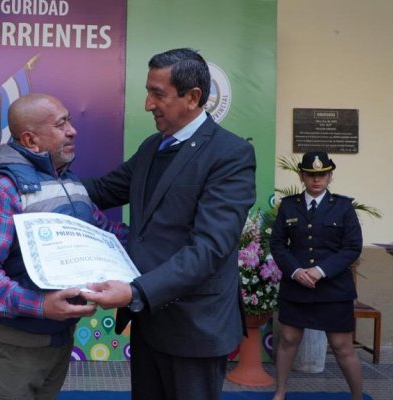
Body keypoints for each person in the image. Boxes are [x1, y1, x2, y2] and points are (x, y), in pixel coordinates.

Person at [80, 48, 256, 400]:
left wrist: (135, 292)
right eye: (148, 92)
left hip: (195, 326)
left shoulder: (229, 154)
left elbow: (209, 248)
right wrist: (32, 179)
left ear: (193, 97)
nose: (148, 104)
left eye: (157, 94)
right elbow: (101, 190)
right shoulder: (152, 147)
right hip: (150, 321)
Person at [0, 93, 128, 400]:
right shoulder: (2, 186)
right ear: (31, 141)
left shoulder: (70, 183)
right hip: (10, 346)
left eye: (69, 121)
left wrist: (162, 239)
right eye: (61, 124)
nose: (72, 131)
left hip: (56, 339)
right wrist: (40, 306)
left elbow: (107, 234)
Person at [269, 151, 363, 400]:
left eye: (322, 174)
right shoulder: (289, 205)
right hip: (297, 284)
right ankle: (280, 392)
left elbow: (352, 247)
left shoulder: (343, 206)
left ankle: (357, 396)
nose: (316, 180)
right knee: (288, 339)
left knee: (342, 346)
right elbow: (277, 243)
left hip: (333, 288)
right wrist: (296, 271)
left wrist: (321, 271)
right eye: (311, 174)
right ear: (302, 175)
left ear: (330, 176)